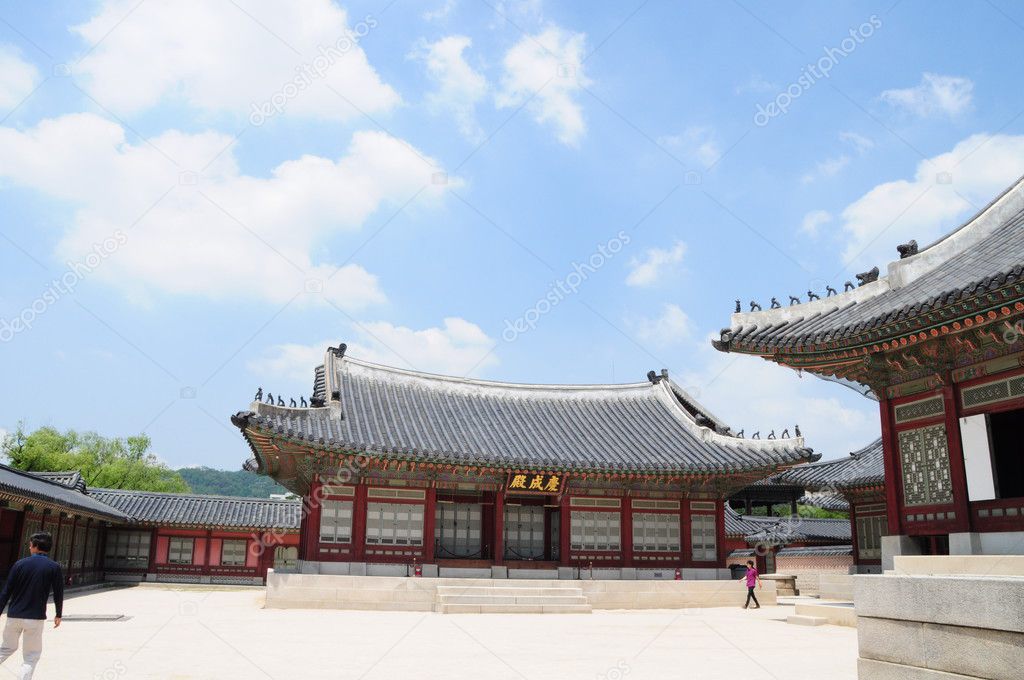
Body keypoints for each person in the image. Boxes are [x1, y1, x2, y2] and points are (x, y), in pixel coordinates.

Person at [0, 532, 64, 679]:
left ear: (35, 546)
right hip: (35, 618)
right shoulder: (53, 567)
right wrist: (58, 614)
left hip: (14, 615)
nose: (29, 547)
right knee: (31, 656)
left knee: (5, 649)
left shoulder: (19, 564)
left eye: (30, 545)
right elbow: (58, 593)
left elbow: (6, 592)